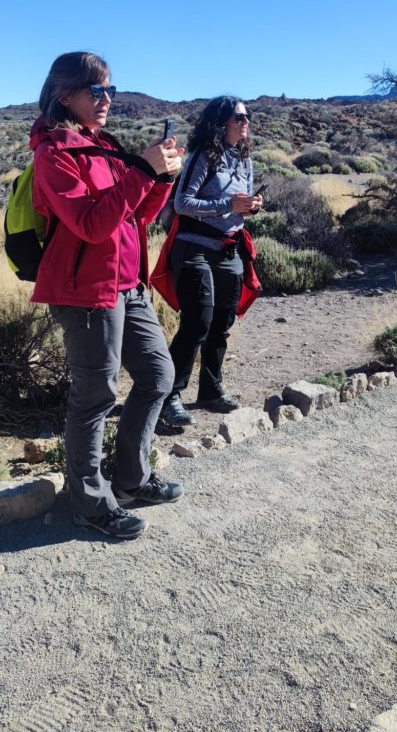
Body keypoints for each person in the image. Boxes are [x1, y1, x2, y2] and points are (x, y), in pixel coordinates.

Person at [30, 51, 185, 539]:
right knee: (95, 396)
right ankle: (90, 503)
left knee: (159, 375)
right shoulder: (53, 154)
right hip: (85, 292)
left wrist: (160, 177)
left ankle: (132, 478)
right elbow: (92, 225)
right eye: (95, 90)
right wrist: (141, 170)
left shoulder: (104, 146)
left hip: (127, 283)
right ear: (65, 95)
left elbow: (135, 216)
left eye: (110, 90)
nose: (106, 100)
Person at [160, 96, 263, 426]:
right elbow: (182, 202)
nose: (245, 121)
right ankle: (169, 397)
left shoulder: (244, 159)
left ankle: (210, 391)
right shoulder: (204, 155)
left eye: (248, 116)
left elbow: (236, 205)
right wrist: (227, 206)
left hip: (229, 250)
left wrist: (251, 206)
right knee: (197, 323)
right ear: (221, 121)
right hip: (195, 248)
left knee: (222, 324)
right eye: (238, 116)